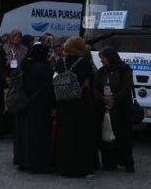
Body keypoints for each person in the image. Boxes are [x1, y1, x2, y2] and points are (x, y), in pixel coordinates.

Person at [54, 36, 97, 177]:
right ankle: (80, 169)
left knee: (64, 136)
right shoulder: (84, 63)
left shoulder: (60, 62)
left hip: (63, 103)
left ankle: (63, 167)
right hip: (80, 104)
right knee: (80, 137)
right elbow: (89, 83)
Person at [14, 43, 55, 173]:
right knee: (39, 135)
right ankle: (38, 163)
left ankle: (24, 160)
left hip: (25, 104)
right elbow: (49, 89)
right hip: (40, 105)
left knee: (25, 134)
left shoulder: (26, 65)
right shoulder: (44, 69)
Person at [94, 46, 135, 173]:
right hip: (105, 108)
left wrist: (114, 99)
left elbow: (126, 87)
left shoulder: (124, 69)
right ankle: (109, 162)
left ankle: (126, 162)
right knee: (107, 135)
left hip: (121, 108)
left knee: (123, 135)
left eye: (104, 58)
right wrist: (103, 99)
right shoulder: (101, 71)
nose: (102, 61)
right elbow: (95, 88)